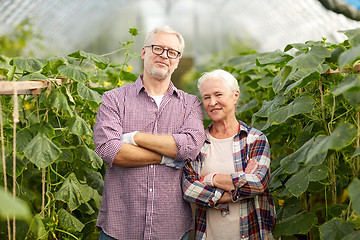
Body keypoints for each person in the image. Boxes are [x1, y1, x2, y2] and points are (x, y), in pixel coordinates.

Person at [93, 25, 205, 240]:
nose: (164, 56)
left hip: (171, 226)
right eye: (158, 48)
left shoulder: (190, 104)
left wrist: (135, 138)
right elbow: (110, 150)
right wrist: (168, 157)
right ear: (144, 52)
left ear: (178, 61)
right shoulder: (114, 99)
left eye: (172, 52)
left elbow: (189, 147)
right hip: (121, 225)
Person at [182, 69, 277, 240]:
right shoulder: (197, 142)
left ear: (235, 96)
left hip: (251, 234)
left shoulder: (254, 139)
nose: (212, 102)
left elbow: (258, 183)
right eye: (206, 97)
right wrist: (236, 189)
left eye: (218, 94)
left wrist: (212, 179)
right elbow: (189, 189)